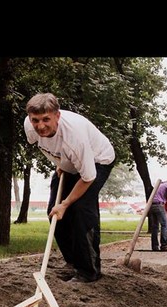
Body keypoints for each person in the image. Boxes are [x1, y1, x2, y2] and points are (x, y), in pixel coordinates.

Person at [24, 92, 115, 283]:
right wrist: (62, 161)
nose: (40, 126)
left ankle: (88, 271)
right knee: (54, 213)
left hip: (98, 161)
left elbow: (88, 177)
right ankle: (73, 261)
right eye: (36, 120)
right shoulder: (29, 127)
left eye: (46, 119)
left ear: (57, 115)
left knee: (81, 211)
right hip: (70, 163)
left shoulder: (75, 138)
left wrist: (65, 203)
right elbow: (52, 146)